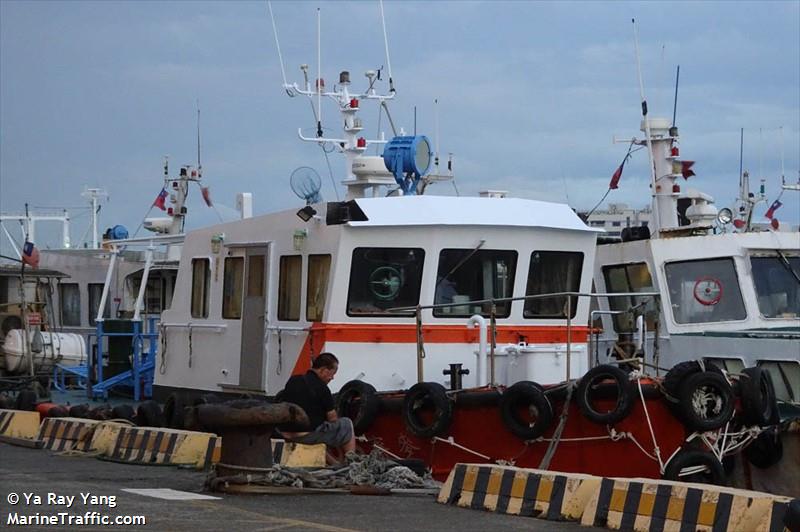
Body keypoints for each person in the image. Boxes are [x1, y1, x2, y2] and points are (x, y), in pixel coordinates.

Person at [278, 352, 356, 462]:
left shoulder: (293, 380)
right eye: (332, 373)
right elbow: (332, 419)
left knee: (318, 427)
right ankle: (352, 463)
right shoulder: (322, 388)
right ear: (324, 370)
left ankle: (335, 463)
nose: (332, 378)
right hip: (306, 436)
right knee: (346, 424)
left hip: (285, 433)